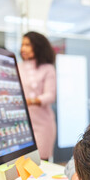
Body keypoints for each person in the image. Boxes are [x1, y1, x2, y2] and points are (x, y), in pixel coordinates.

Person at [18, 31, 56, 160]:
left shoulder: (47, 68)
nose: (23, 48)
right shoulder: (18, 67)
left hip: (42, 124)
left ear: (38, 46)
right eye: (22, 44)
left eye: (27, 44)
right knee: (21, 164)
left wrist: (32, 101)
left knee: (40, 161)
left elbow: (50, 95)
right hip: (20, 124)